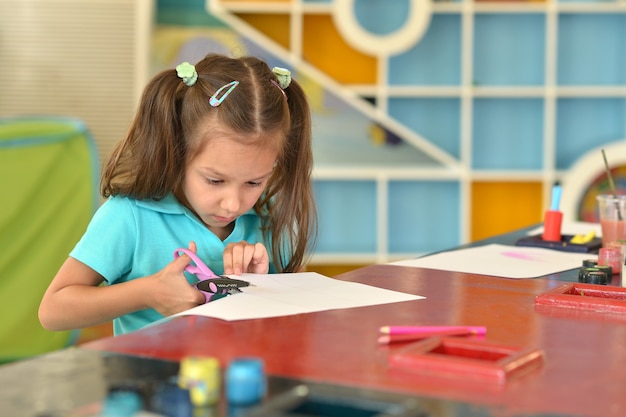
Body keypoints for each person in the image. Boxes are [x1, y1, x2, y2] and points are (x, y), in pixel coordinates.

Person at [38, 54, 317, 335]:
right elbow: (53, 311)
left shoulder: (269, 223)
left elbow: (298, 322)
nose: (233, 204)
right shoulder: (129, 216)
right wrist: (147, 293)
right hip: (148, 377)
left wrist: (263, 287)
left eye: (254, 183)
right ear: (177, 153)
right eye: (214, 180)